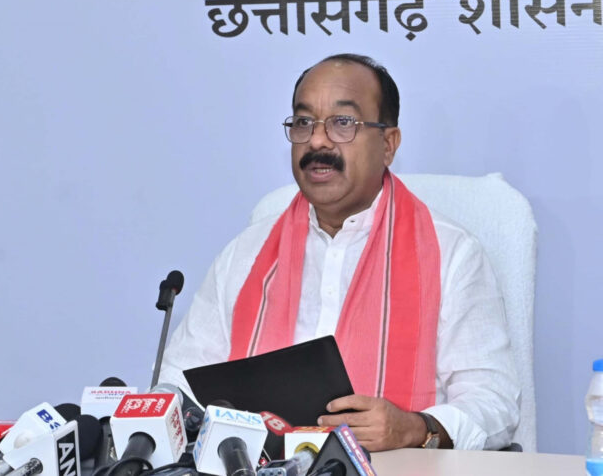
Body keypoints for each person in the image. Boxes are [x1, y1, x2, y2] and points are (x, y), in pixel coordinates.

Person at [159, 53, 520, 451]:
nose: (317, 140)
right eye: (303, 122)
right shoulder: (245, 255)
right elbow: (177, 384)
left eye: (343, 123)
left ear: (388, 144)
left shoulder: (452, 255)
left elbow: (494, 403)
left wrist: (415, 428)